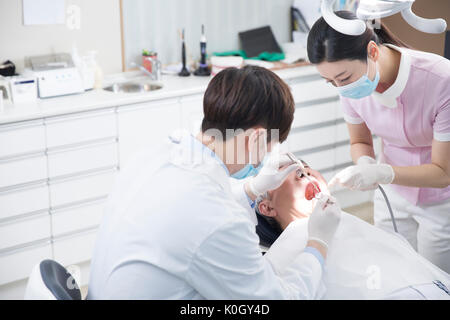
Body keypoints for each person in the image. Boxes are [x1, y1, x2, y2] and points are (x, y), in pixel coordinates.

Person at [87, 66, 342, 299]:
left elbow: (193, 216)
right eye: (269, 148)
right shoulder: (219, 219)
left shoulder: (153, 155)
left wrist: (251, 190)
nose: (265, 159)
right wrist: (318, 243)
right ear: (255, 140)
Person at [306, 10, 450, 273]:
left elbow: (443, 173)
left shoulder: (441, 80)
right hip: (392, 194)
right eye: (331, 82)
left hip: (441, 201)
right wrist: (365, 163)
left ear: (372, 51)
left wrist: (381, 172)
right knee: (393, 269)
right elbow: (359, 141)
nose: (341, 88)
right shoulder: (347, 85)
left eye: (344, 78)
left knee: (435, 276)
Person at [254, 161, 450, 300]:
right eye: (282, 171)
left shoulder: (358, 225)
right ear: (267, 208)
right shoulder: (278, 256)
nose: (303, 172)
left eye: (305, 167)